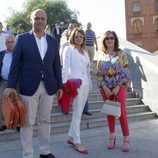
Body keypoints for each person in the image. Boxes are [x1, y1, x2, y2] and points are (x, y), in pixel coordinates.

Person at [4, 9, 63, 158]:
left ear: (46, 21)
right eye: (36, 18)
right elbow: (15, 65)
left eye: (42, 19)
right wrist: (10, 86)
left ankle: (45, 151)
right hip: (28, 87)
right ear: (31, 20)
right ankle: (28, 154)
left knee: (45, 120)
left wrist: (60, 85)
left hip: (48, 87)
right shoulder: (22, 39)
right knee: (28, 123)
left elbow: (56, 65)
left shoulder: (52, 41)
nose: (40, 21)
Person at [96, 30, 130, 152]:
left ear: (115, 40)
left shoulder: (121, 54)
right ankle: (112, 137)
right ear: (104, 41)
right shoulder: (101, 56)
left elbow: (126, 70)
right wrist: (104, 87)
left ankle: (126, 138)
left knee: (121, 111)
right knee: (110, 112)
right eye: (107, 38)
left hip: (119, 86)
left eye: (112, 38)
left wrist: (117, 86)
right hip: (105, 87)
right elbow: (99, 74)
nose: (109, 40)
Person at [62, 27, 92, 154]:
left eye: (81, 36)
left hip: (86, 85)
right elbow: (65, 68)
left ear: (84, 38)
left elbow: (87, 69)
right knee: (77, 114)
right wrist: (64, 84)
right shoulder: (68, 49)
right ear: (72, 37)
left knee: (78, 112)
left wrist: (90, 83)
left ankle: (70, 137)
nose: (79, 38)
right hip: (75, 86)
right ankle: (77, 141)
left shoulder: (85, 52)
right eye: (76, 36)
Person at [0, 35, 16, 131]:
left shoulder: (19, 54)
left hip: (16, 82)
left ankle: (17, 123)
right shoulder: (1, 54)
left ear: (15, 43)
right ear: (5, 44)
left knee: (17, 102)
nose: (10, 44)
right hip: (3, 81)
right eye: (8, 42)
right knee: (1, 101)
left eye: (12, 42)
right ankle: (3, 123)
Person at [83, 22, 98, 114]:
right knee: (86, 58)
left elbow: (95, 39)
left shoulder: (93, 32)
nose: (88, 26)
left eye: (89, 25)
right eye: (87, 25)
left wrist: (96, 46)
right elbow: (83, 39)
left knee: (91, 58)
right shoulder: (84, 31)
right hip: (86, 46)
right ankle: (87, 67)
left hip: (91, 46)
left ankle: (90, 69)